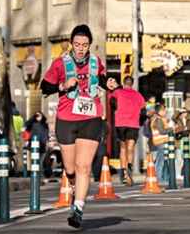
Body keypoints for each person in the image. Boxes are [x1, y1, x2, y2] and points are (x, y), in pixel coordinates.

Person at [40, 24, 118, 228]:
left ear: (90, 45)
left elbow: (101, 79)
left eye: (85, 44)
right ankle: (76, 190)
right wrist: (63, 86)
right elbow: (44, 87)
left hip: (91, 118)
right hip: (66, 119)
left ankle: (78, 208)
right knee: (70, 168)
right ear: (71, 44)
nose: (81, 48)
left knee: (84, 166)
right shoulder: (60, 64)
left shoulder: (95, 61)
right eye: (77, 44)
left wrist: (108, 83)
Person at [109, 76, 145, 186]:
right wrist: (140, 121)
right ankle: (129, 168)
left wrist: (118, 110)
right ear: (132, 84)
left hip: (121, 123)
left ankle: (124, 172)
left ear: (124, 83)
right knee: (130, 148)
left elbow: (112, 103)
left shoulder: (118, 92)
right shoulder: (138, 95)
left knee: (123, 148)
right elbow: (143, 110)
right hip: (133, 124)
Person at [149, 103, 172, 185]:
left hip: (160, 142)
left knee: (160, 160)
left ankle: (160, 178)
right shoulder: (158, 119)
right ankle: (158, 179)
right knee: (160, 161)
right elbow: (162, 131)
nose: (165, 111)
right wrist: (171, 129)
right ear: (160, 111)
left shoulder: (157, 119)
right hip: (160, 142)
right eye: (164, 110)